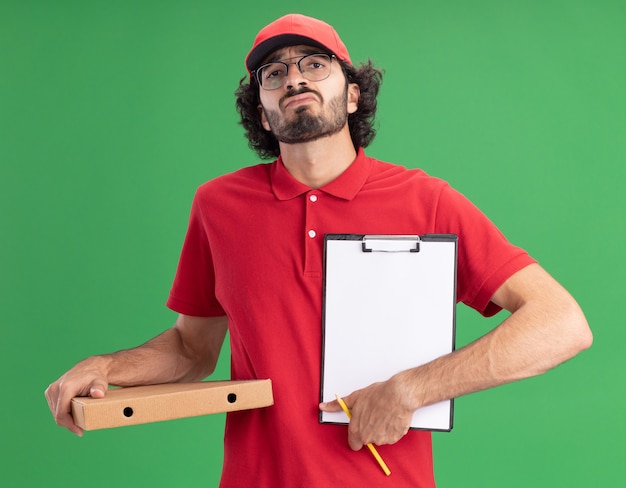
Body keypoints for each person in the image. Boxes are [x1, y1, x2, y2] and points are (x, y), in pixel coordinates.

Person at [45, 13, 592, 487]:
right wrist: (107, 365)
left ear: (353, 93)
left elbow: (562, 323)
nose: (293, 79)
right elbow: (193, 350)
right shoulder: (218, 205)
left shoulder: (426, 199)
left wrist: (409, 390)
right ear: (261, 110)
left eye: (314, 64)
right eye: (274, 73)